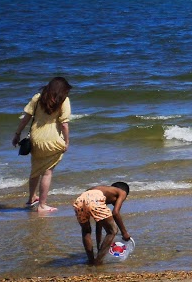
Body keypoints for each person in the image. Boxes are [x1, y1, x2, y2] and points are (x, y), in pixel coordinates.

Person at [13, 76, 72, 213]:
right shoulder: (64, 100)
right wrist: (67, 141)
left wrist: (17, 134)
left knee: (35, 170)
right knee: (47, 173)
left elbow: (26, 118)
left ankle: (32, 198)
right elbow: (64, 124)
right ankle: (42, 205)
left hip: (36, 139)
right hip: (52, 140)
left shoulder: (38, 98)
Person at [73, 181, 130, 265]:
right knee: (112, 230)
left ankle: (91, 260)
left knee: (86, 231)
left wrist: (99, 245)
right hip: (94, 200)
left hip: (80, 200)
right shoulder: (122, 191)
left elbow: (98, 224)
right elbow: (115, 213)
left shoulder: (103, 192)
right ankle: (98, 261)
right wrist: (124, 233)